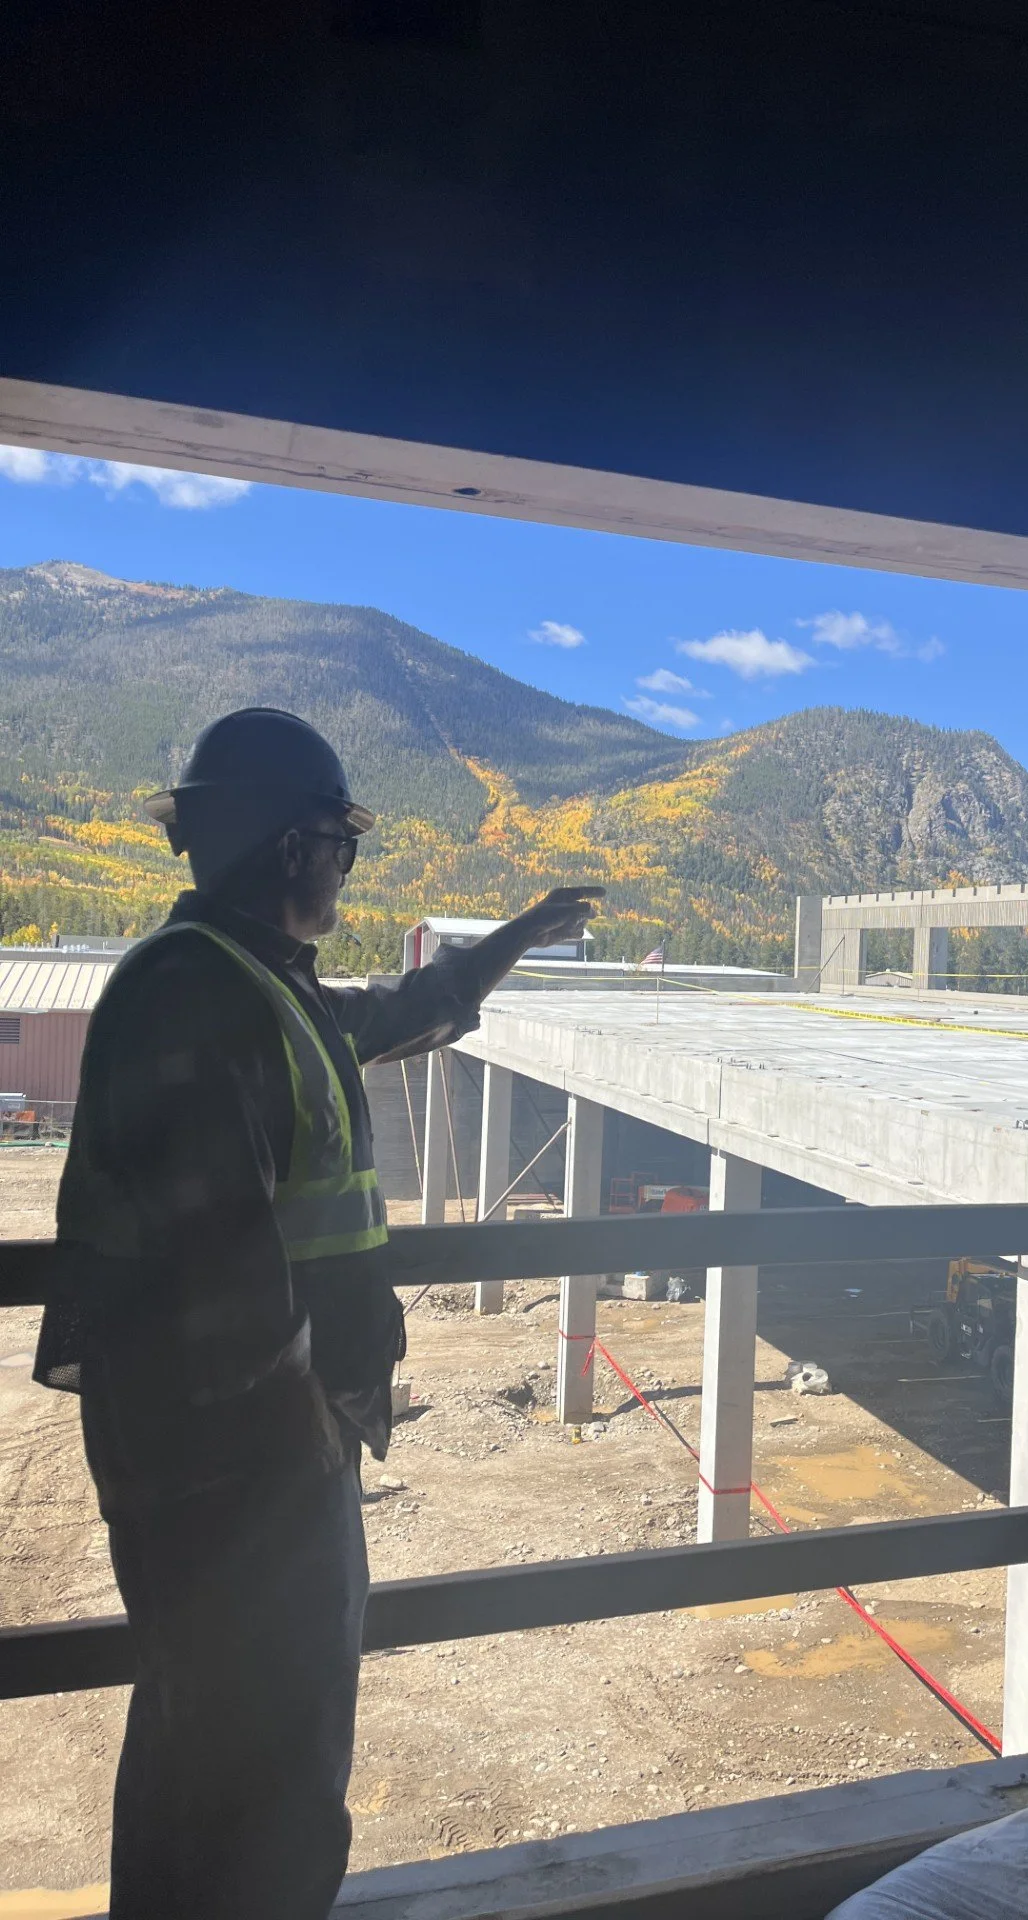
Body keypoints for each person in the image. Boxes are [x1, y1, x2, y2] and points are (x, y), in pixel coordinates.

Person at [32, 708, 602, 1920]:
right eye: (345, 846)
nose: (349, 870)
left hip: (260, 1450)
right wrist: (307, 1437)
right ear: (297, 849)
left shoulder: (254, 986)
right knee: (267, 1764)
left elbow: (396, 1012)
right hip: (238, 1464)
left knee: (219, 1745)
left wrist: (511, 941)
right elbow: (214, 1274)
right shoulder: (196, 999)